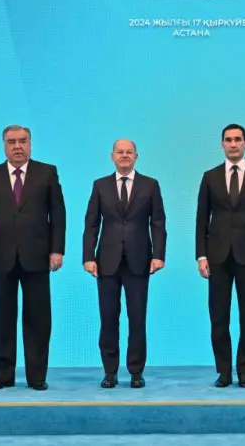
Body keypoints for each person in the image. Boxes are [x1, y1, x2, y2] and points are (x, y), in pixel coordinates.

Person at [0, 125, 66, 391]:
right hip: (0, 257)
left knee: (38, 319)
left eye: (23, 141)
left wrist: (57, 250)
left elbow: (58, 214)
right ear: (4, 145)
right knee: (2, 318)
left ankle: (36, 376)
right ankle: (2, 376)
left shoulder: (47, 173)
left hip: (38, 257)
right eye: (12, 142)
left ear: (30, 144)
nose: (17, 146)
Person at [83, 139, 167, 389]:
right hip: (106, 262)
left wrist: (158, 255)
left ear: (136, 156)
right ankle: (110, 372)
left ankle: (136, 372)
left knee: (137, 318)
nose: (124, 155)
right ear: (112, 156)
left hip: (139, 261)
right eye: (120, 152)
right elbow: (92, 223)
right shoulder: (100, 185)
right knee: (108, 318)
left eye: (129, 152)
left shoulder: (150, 185)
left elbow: (158, 222)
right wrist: (88, 256)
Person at [195, 123, 245, 387]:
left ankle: (244, 371)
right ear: (222, 145)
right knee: (218, 316)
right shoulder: (210, 177)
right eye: (228, 140)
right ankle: (224, 371)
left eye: (237, 139)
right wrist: (201, 256)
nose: (233, 144)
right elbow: (201, 219)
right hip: (217, 257)